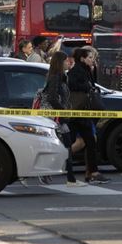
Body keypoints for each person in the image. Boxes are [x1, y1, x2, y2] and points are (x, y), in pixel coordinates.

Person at [44, 51, 87, 187]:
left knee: (66, 146)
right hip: (56, 118)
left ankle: (68, 178)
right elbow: (52, 97)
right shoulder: (55, 77)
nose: (68, 63)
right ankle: (70, 179)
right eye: (66, 61)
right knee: (66, 145)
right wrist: (62, 111)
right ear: (60, 62)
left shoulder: (61, 77)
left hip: (60, 118)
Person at [68, 48, 110, 185]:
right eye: (90, 58)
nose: (92, 60)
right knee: (77, 141)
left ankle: (91, 172)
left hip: (83, 112)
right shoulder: (77, 71)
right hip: (78, 112)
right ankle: (61, 163)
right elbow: (73, 85)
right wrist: (86, 87)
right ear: (82, 59)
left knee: (89, 141)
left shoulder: (87, 70)